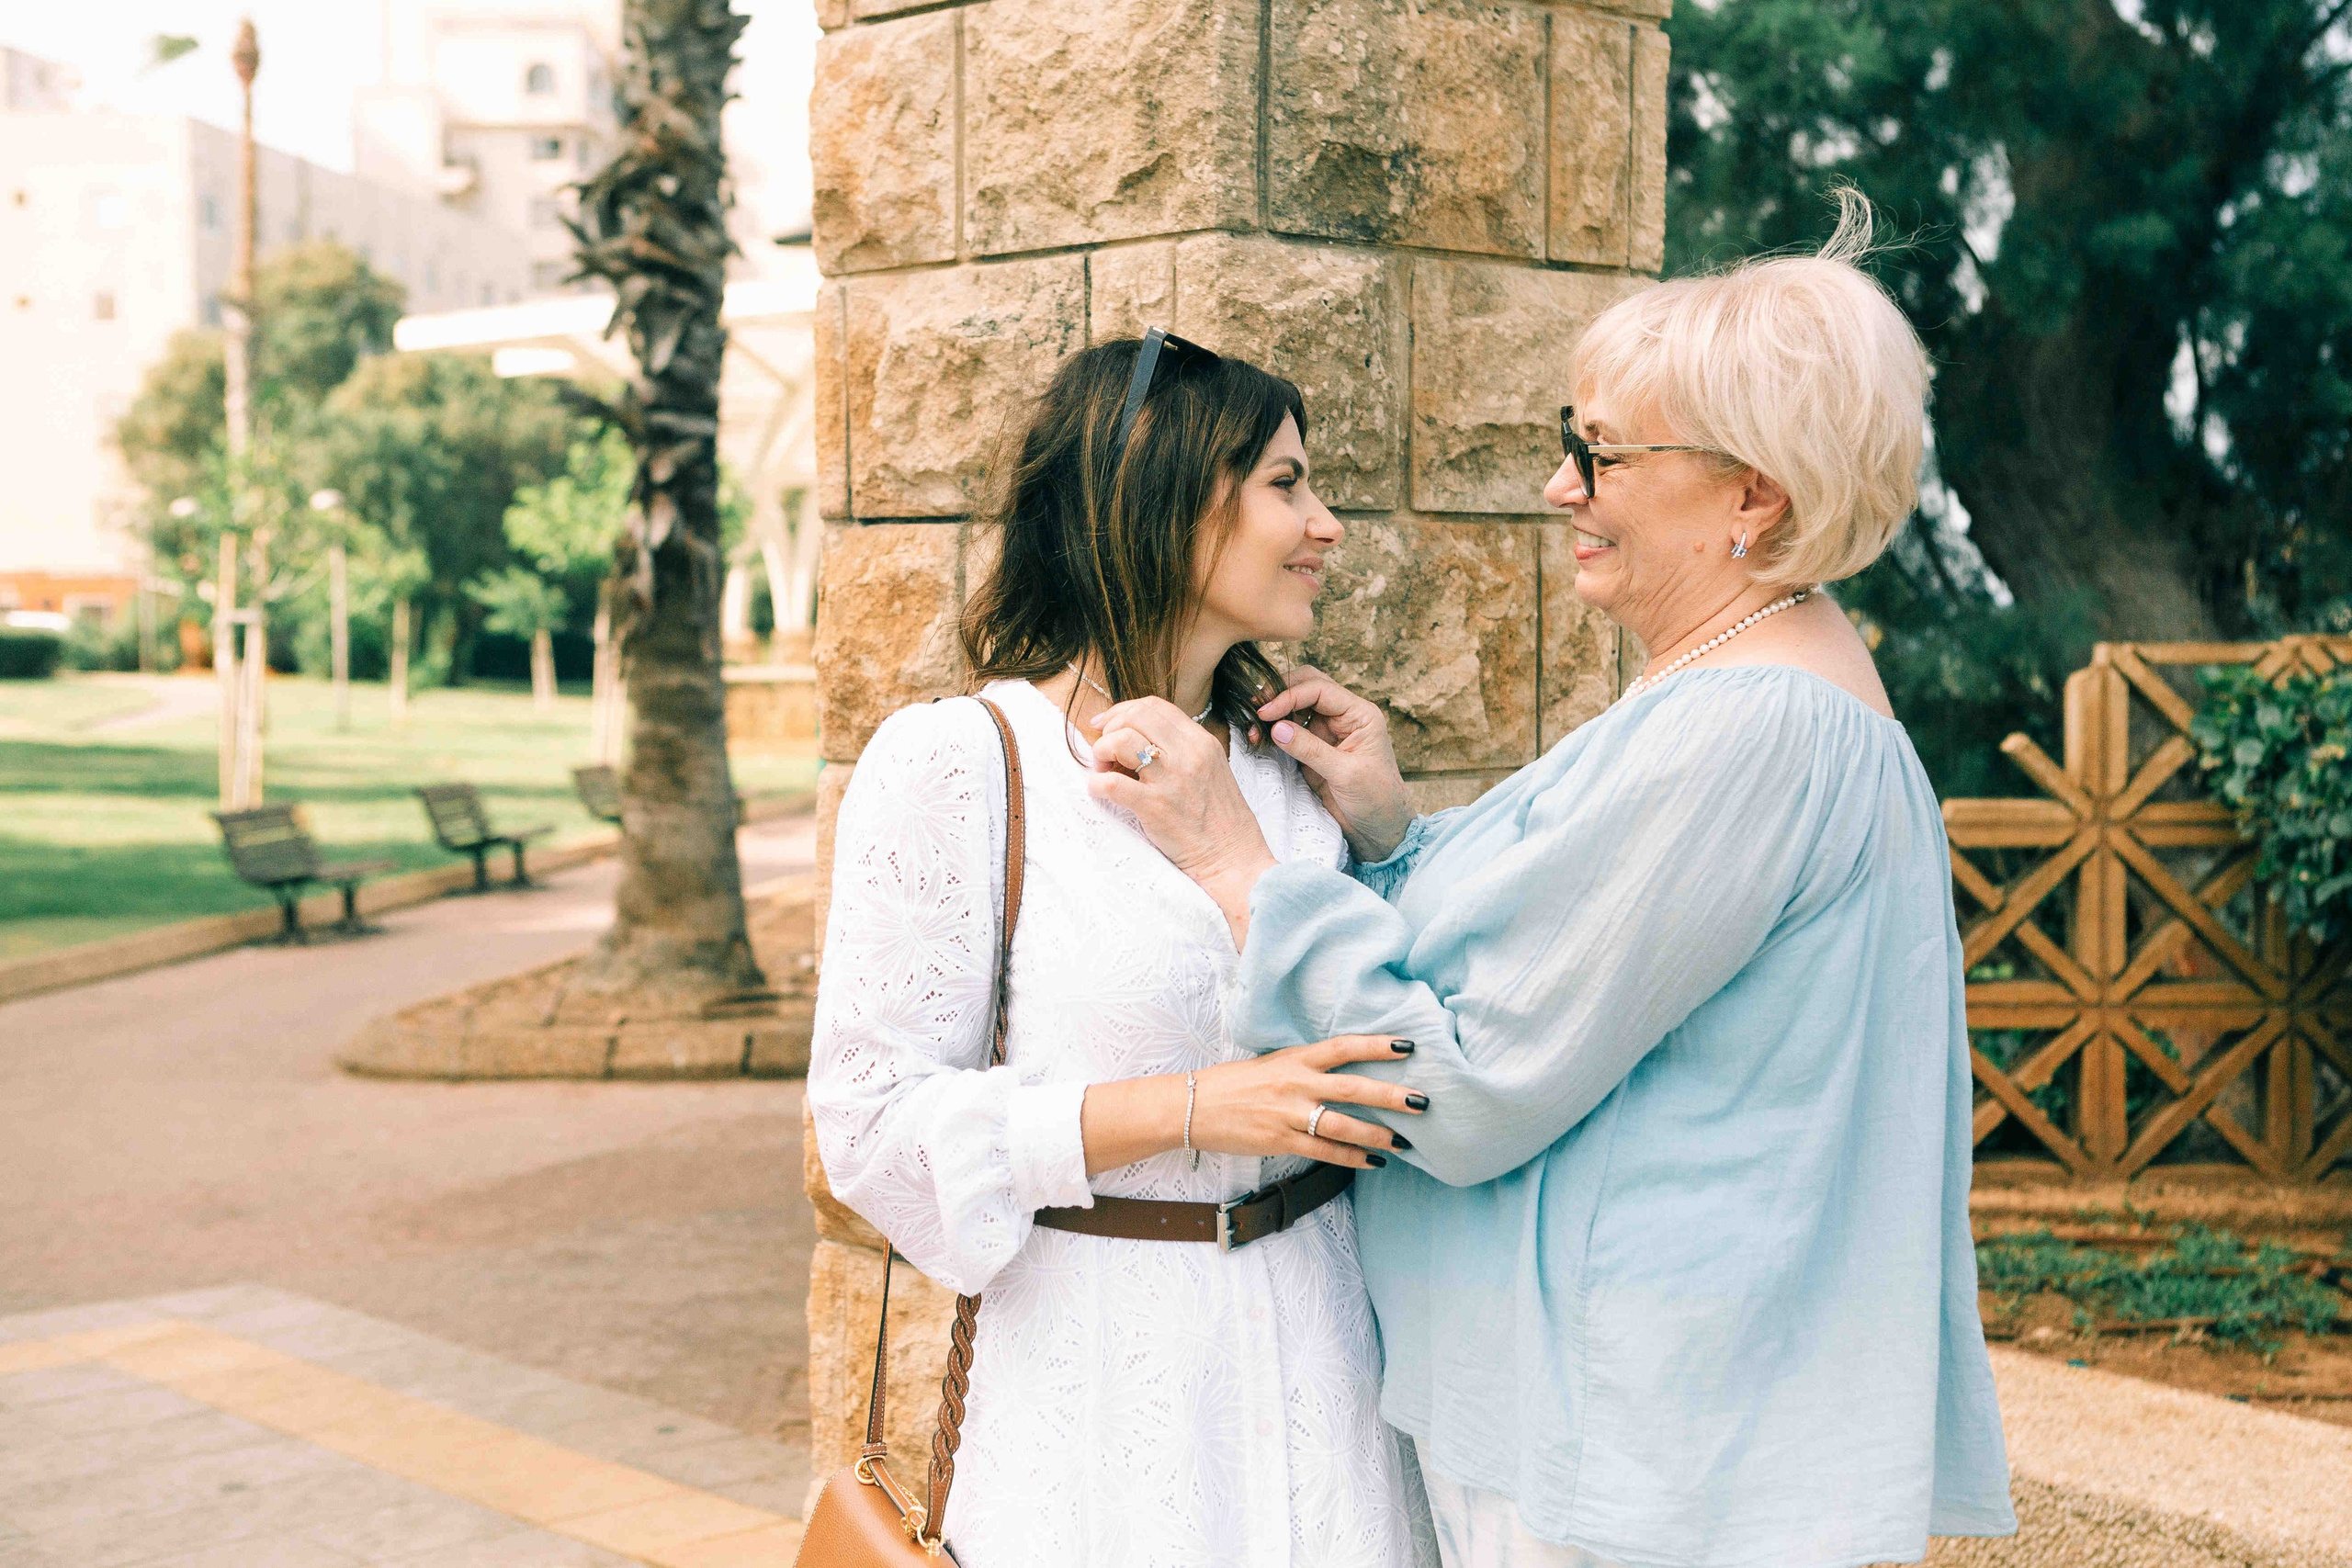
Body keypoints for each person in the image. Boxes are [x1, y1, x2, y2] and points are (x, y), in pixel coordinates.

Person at [1081, 196, 2018, 1567]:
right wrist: (1399, 833)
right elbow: (1583, 966)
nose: (1560, 488)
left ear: (1751, 495)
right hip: (1645, 1431)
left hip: (1620, 1459)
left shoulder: (1747, 731)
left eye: (1599, 454)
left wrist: (1238, 864)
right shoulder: (1760, 686)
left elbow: (1457, 1093)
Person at [808, 333, 1437, 1567]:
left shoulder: (1298, 769)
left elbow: (1407, 1049)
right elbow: (871, 1129)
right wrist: (1194, 1107)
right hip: (1098, 1387)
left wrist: (1388, 830)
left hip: (1330, 1361)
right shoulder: (961, 764)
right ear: (1163, 495)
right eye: (1285, 483)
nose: (1329, 525)